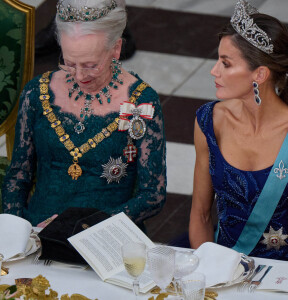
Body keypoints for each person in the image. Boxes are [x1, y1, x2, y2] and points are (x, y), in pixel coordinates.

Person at [2, 0, 166, 229]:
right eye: (69, 63)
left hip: (105, 238)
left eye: (91, 65)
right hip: (38, 236)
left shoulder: (141, 100)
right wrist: (16, 232)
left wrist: (87, 226)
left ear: (116, 49)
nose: (79, 76)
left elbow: (153, 195)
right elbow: (17, 177)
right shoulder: (37, 93)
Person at [189, 0, 288, 261]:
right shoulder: (209, 122)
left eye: (226, 63)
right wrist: (209, 274)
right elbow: (200, 215)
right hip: (225, 273)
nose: (213, 71)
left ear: (260, 74)